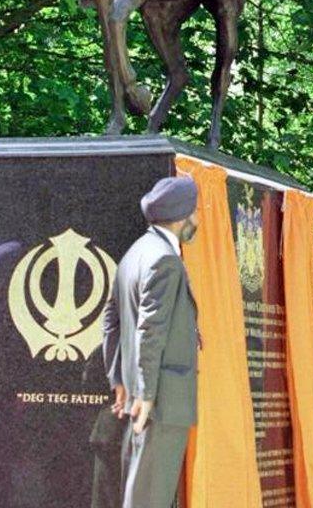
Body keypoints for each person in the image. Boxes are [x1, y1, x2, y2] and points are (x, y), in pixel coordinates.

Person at [103, 175, 199, 508]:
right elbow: (149, 330)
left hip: (145, 395)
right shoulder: (165, 260)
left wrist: (120, 380)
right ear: (182, 216)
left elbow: (110, 323)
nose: (197, 219)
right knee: (149, 497)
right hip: (160, 400)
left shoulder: (135, 254)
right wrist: (144, 390)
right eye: (194, 212)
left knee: (144, 492)